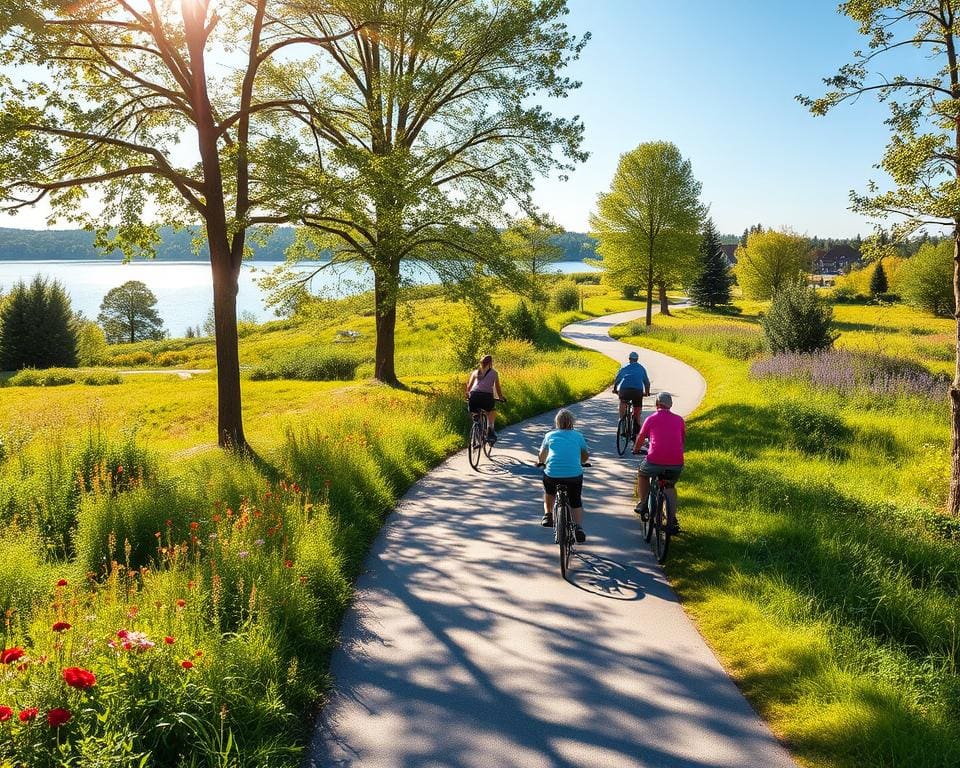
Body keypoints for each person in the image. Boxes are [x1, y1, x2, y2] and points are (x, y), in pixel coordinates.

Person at [632, 391, 684, 534]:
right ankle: (672, 519)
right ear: (670, 405)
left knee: (642, 474)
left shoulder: (651, 419)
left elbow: (641, 438)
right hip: (676, 462)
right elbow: (682, 441)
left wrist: (636, 449)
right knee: (669, 486)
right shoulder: (679, 420)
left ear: (657, 404)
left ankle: (643, 503)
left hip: (654, 460)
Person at [538, 408, 590, 542]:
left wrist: (541, 462)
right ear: (572, 422)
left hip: (552, 474)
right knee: (575, 500)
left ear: (557, 422)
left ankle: (548, 515)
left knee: (549, 492)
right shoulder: (578, 436)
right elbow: (585, 455)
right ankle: (578, 527)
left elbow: (542, 455)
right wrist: (581, 462)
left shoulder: (549, 435)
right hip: (574, 475)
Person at [466, 353, 505, 442]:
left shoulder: (475, 372)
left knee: (474, 411)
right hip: (486, 397)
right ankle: (490, 429)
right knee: (492, 411)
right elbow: (498, 388)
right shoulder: (494, 373)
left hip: (474, 396)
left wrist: (468, 395)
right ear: (490, 363)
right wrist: (501, 398)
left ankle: (476, 425)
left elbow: (469, 387)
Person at [612, 351, 650, 433]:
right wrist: (647, 392)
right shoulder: (641, 368)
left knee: (622, 402)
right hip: (637, 391)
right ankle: (636, 422)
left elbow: (617, 379)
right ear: (637, 359)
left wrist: (615, 389)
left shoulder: (624, 368)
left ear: (629, 359)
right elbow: (647, 382)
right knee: (637, 406)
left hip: (624, 390)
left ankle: (621, 420)